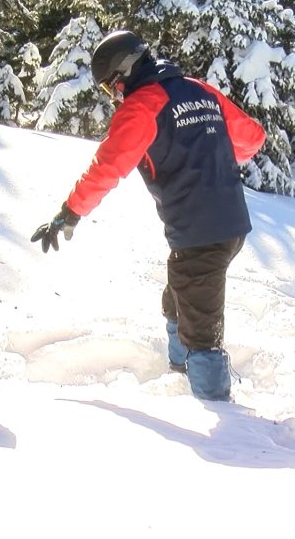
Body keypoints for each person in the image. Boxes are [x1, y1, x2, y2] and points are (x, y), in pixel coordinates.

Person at [30, 30, 266, 402]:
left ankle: (218, 413)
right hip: (231, 225)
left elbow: (107, 167)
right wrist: (206, 150)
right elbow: (252, 137)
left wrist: (70, 212)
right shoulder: (200, 90)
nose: (113, 96)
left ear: (122, 74)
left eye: (110, 88)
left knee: (202, 330)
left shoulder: (142, 106)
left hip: (198, 232)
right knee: (177, 297)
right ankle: (177, 374)